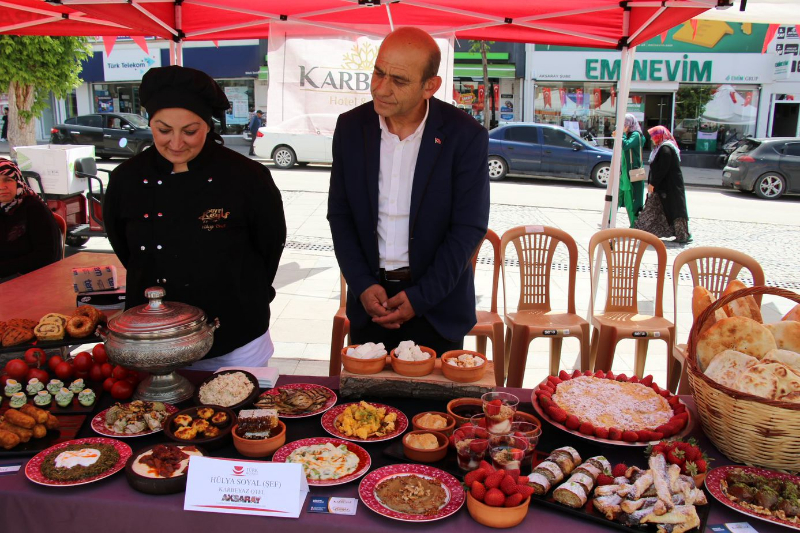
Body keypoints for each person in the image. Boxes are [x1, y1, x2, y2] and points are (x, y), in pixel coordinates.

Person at [103, 66, 286, 370]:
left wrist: (242, 289)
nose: (176, 143)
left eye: (190, 131)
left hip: (237, 336)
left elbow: (270, 245)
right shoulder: (127, 179)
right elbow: (124, 246)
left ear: (208, 126)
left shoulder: (247, 177)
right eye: (163, 130)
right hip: (156, 340)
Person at [327, 27, 490, 356]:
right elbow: (340, 214)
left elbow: (468, 227)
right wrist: (361, 283)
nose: (381, 88)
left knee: (433, 408)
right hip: (370, 302)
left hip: (436, 306)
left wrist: (421, 296)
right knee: (365, 407)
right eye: (378, 73)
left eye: (398, 81)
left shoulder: (464, 136)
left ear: (430, 86)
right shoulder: (350, 127)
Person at [0, 159, 61, 280]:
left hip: (27, 277)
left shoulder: (34, 208)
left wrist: (4, 269)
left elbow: (47, 255)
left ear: (18, 182)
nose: (2, 186)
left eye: (8, 180)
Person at [634, 125, 691, 244]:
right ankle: (643, 232)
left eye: (653, 136)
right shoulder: (661, 148)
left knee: (674, 210)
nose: (651, 139)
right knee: (654, 210)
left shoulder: (666, 149)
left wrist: (653, 184)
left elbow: (662, 170)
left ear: (659, 136)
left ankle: (682, 235)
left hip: (669, 187)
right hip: (663, 188)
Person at [613, 113, 645, 227]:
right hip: (623, 173)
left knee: (632, 200)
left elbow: (626, 145)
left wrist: (620, 135)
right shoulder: (627, 135)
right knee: (615, 198)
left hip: (631, 173)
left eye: (624, 124)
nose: (622, 127)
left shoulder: (635, 135)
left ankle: (634, 225)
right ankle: (609, 221)